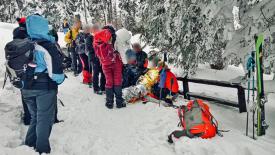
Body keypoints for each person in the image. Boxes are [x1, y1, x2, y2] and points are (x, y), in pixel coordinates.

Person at [22, 14, 65, 154]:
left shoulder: (26, 43)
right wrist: (61, 78)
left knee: (35, 117)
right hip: (44, 89)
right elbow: (55, 75)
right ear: (42, 27)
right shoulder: (47, 45)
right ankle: (42, 150)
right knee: (44, 119)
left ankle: (28, 146)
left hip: (26, 88)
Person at [94, 25, 126, 109]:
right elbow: (121, 50)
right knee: (117, 81)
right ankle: (119, 102)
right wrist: (125, 62)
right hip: (116, 62)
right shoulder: (115, 36)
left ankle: (109, 102)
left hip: (105, 63)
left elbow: (97, 53)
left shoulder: (98, 38)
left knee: (109, 82)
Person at [12, 17, 31, 125]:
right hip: (27, 66)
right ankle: (33, 115)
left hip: (18, 67)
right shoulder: (28, 33)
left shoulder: (16, 31)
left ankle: (27, 117)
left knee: (23, 92)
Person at [89, 24, 106, 94]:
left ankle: (103, 87)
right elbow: (88, 49)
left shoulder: (101, 36)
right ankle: (95, 88)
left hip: (101, 58)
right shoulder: (90, 38)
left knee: (103, 72)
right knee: (95, 73)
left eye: (97, 29)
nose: (96, 30)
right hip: (94, 58)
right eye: (95, 29)